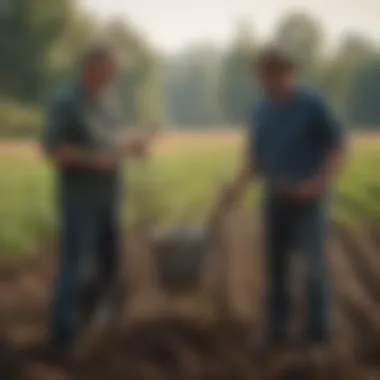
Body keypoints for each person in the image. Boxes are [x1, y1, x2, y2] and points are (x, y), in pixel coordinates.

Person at [218, 46, 347, 358]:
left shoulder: (312, 104)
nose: (269, 79)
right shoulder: (261, 110)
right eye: (264, 74)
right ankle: (277, 331)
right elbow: (255, 159)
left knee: (313, 270)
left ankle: (317, 338)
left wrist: (317, 184)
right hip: (275, 198)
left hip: (308, 199)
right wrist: (235, 189)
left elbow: (338, 146)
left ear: (289, 72)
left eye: (276, 72)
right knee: (275, 269)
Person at [42, 45, 150, 356]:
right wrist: (95, 160)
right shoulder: (67, 101)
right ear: (91, 68)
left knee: (109, 267)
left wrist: (134, 145)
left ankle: (97, 326)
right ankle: (64, 340)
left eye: (114, 70)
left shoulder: (109, 99)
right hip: (80, 201)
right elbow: (52, 149)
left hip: (109, 199)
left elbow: (112, 139)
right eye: (109, 69)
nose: (113, 76)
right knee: (73, 270)